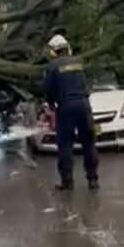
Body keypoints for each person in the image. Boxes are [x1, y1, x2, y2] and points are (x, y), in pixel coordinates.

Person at [43, 34, 99, 190]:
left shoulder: (52, 66)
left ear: (53, 51)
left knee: (65, 145)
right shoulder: (79, 62)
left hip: (66, 107)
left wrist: (51, 104)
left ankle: (67, 181)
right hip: (84, 105)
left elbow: (48, 89)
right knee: (89, 143)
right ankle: (92, 179)